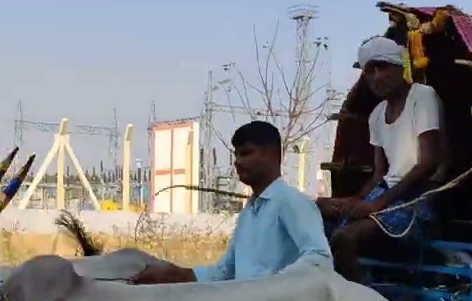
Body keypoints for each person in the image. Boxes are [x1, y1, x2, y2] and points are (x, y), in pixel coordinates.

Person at [131, 120, 333, 284]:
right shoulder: (249, 211)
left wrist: (272, 287)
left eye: (246, 153)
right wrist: (177, 275)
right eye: (236, 155)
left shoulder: (291, 202)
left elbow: (319, 259)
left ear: (273, 156)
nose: (237, 161)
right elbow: (225, 271)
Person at [318, 36, 445, 281]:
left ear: (399, 66)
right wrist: (352, 201)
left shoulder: (422, 96)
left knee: (344, 238)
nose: (376, 77)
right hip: (387, 194)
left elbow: (428, 162)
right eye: (369, 71)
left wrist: (377, 204)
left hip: (416, 199)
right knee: (315, 213)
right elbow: (380, 174)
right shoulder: (376, 114)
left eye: (382, 67)